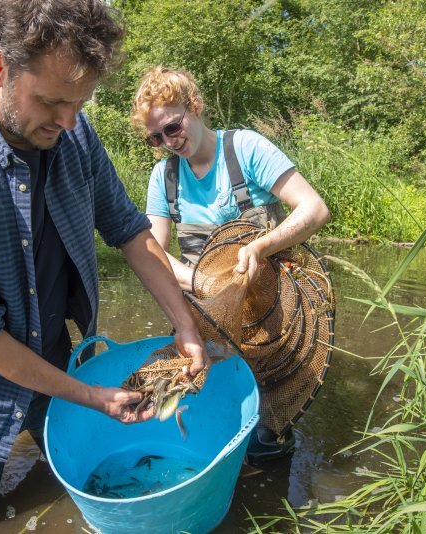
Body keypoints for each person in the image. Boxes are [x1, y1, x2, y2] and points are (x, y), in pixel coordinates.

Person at [0, 5, 207, 533]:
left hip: (55, 368)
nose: (66, 121)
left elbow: (129, 231)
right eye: (52, 101)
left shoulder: (74, 135)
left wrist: (185, 325)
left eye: (79, 102)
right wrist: (92, 396)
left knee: (76, 497)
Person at [131, 66, 330, 465]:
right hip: (203, 313)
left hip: (269, 315)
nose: (169, 142)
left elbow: (314, 208)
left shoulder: (247, 149)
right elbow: (152, 249)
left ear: (195, 106)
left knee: (264, 435)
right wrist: (199, 281)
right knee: (200, 420)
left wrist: (261, 247)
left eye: (173, 127)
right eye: (156, 137)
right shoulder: (163, 177)